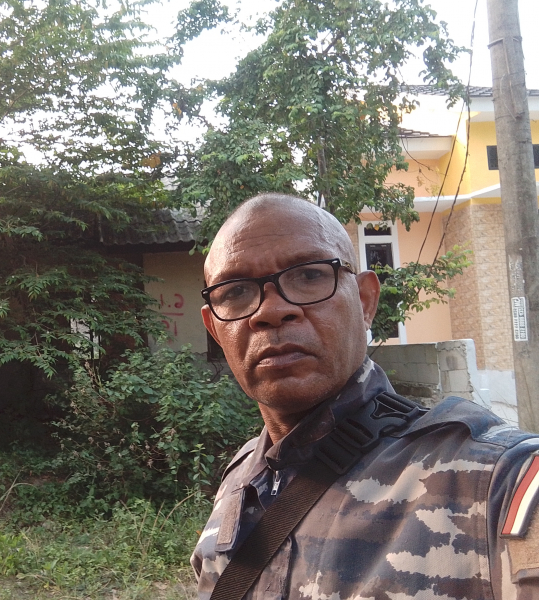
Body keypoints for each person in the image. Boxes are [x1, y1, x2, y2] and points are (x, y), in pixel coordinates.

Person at [191, 192, 539, 599]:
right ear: (216, 330)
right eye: (235, 291)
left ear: (365, 301)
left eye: (308, 275)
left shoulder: (498, 481)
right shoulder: (239, 482)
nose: (270, 311)